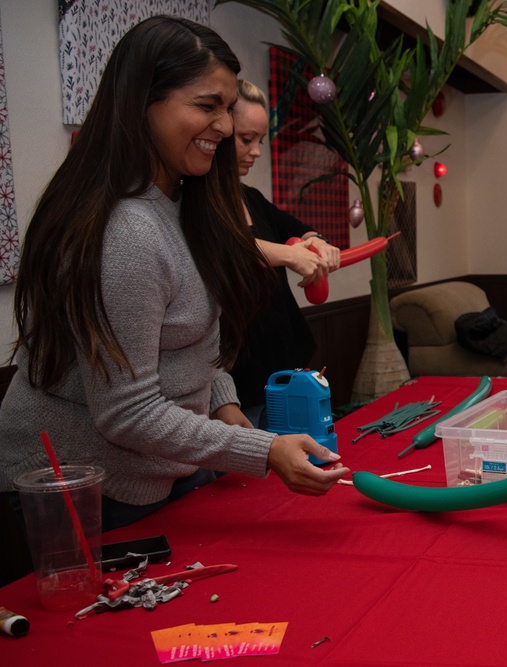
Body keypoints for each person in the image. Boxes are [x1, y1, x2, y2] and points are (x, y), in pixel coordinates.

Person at [0, 16, 349, 538]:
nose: (227, 128)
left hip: (152, 475)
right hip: (84, 491)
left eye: (227, 109)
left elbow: (189, 345)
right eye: (208, 106)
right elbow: (128, 413)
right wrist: (266, 449)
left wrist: (223, 402)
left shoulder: (184, 203)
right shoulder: (126, 231)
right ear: (142, 104)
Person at [229, 79, 340, 428]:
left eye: (259, 141)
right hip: (239, 382)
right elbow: (223, 247)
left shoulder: (253, 198)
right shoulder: (196, 206)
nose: (256, 151)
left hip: (287, 366)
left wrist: (317, 242)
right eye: (246, 139)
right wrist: (289, 255)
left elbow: (300, 228)